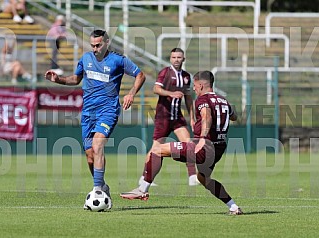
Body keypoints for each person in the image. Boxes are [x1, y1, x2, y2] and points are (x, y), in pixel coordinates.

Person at [45, 29, 146, 209]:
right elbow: (75, 79)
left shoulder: (118, 60)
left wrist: (131, 94)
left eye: (98, 45)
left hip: (108, 110)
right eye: (92, 45)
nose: (95, 48)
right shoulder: (86, 59)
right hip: (88, 113)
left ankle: (97, 190)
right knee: (90, 155)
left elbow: (140, 75)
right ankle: (103, 186)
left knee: (98, 145)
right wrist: (58, 79)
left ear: (107, 43)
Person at [120, 70, 243, 215]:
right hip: (218, 149)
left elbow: (206, 116)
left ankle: (142, 190)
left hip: (203, 146)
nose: (194, 89)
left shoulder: (202, 100)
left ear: (202, 85)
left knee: (157, 150)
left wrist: (203, 138)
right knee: (203, 179)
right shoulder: (223, 100)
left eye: (195, 86)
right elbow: (234, 116)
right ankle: (233, 207)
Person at [138, 47, 199, 187]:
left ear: (183, 59)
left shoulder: (186, 76)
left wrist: (193, 117)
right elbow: (156, 89)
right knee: (155, 149)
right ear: (170, 59)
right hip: (163, 117)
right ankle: (144, 177)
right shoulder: (165, 72)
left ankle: (192, 176)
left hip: (177, 117)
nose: (176, 60)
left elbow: (188, 98)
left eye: (179, 57)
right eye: (174, 57)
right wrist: (170, 93)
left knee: (189, 144)